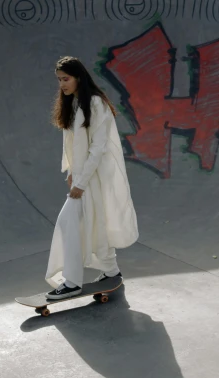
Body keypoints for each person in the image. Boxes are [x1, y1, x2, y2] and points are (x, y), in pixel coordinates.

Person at [45, 56, 138, 299]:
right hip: (83, 176)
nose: (62, 84)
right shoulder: (74, 103)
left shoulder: (96, 104)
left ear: (79, 77)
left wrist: (81, 182)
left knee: (69, 223)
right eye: (59, 80)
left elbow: (97, 148)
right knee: (96, 223)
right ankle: (111, 271)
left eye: (66, 79)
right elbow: (73, 144)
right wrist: (73, 173)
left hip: (94, 177)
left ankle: (72, 281)